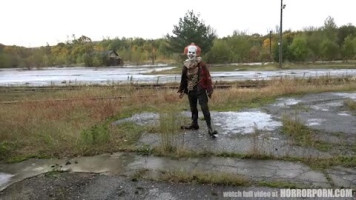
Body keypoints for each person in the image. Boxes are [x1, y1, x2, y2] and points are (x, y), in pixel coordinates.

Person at [178, 43, 217, 137]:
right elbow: (183, 78)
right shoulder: (186, 65)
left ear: (196, 53)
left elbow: (207, 77)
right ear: (187, 53)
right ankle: (194, 124)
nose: (191, 54)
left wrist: (209, 89)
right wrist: (182, 90)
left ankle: (209, 128)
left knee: (204, 108)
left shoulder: (201, 64)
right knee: (193, 108)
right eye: (189, 52)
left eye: (193, 52)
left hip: (201, 89)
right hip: (191, 89)